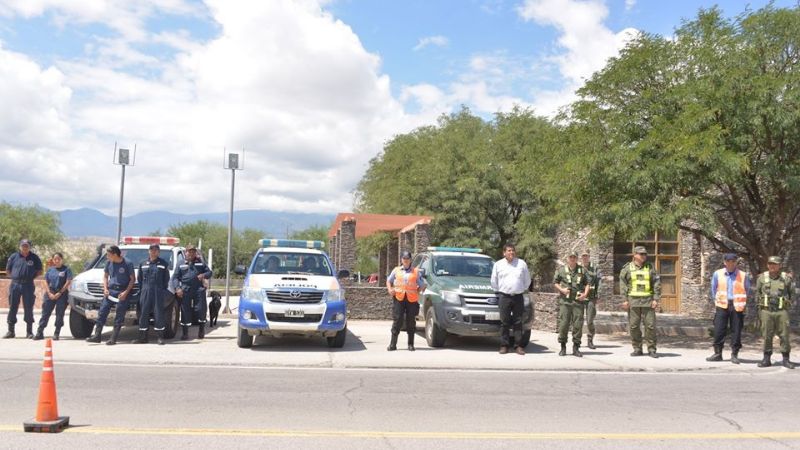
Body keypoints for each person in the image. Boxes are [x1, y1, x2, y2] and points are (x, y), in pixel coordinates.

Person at [706, 253, 750, 364]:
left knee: (736, 331)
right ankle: (717, 353)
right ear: (724, 262)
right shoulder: (718, 274)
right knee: (719, 330)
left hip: (737, 306)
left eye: (733, 261)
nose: (730, 263)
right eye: (728, 261)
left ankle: (734, 354)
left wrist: (741, 302)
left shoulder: (743, 275)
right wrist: (716, 301)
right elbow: (713, 288)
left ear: (736, 262)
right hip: (722, 305)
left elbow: (747, 290)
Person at [87, 245, 135, 345]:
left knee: (119, 314)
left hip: (122, 292)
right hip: (110, 291)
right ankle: (97, 335)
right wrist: (105, 289)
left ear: (115, 254)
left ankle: (113, 338)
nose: (107, 257)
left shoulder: (127, 263)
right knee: (102, 312)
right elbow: (105, 276)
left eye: (109, 255)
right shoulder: (109, 263)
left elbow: (132, 279)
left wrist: (125, 292)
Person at [619, 246, 661, 358]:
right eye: (641, 254)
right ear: (635, 255)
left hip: (648, 301)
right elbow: (622, 284)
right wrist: (624, 300)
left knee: (650, 326)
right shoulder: (627, 268)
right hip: (633, 301)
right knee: (634, 326)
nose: (644, 256)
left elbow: (656, 284)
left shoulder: (650, 267)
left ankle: (652, 349)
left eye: (645, 254)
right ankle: (637, 348)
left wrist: (656, 299)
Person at [754, 256, 795, 369]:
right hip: (766, 311)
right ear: (768, 265)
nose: (772, 266)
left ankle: (786, 359)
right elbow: (757, 294)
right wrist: (760, 311)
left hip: (782, 311)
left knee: (784, 335)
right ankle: (766, 359)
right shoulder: (761, 278)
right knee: (767, 335)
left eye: (775, 264)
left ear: (779, 265)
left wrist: (787, 305)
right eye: (770, 263)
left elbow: (792, 294)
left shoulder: (786, 278)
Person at [490, 243, 531, 355]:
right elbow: (494, 281)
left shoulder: (521, 264)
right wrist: (499, 291)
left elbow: (527, 280)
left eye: (513, 250)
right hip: (504, 296)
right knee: (504, 322)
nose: (511, 252)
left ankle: (518, 346)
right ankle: (504, 345)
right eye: (509, 250)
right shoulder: (498, 264)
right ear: (504, 253)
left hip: (518, 296)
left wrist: (521, 289)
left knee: (518, 322)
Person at [386, 250, 426, 351]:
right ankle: (393, 344)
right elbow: (389, 280)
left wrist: (418, 291)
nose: (406, 260)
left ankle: (411, 344)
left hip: (411, 299)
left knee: (411, 321)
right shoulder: (396, 270)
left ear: (410, 260)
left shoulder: (415, 271)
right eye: (404, 259)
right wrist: (390, 289)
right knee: (397, 320)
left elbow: (423, 284)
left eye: (407, 259)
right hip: (399, 298)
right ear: (401, 259)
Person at [4, 239, 43, 339]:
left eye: (26, 246)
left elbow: (40, 271)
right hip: (15, 285)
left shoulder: (34, 257)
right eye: (23, 246)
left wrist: (30, 277)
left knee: (28, 307)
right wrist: (14, 278)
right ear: (20, 246)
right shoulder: (14, 256)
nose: (25, 247)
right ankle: (10, 331)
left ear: (29, 247)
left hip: (28, 285)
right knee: (13, 306)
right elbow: (8, 270)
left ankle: (29, 332)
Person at [554, 250, 590, 357]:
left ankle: (576, 348)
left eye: (574, 257)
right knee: (563, 324)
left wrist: (585, 294)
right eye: (570, 257)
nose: (572, 259)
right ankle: (563, 347)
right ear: (567, 258)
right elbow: (555, 282)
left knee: (578, 325)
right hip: (565, 302)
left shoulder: (582, 270)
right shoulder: (561, 270)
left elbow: (588, 283)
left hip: (578, 302)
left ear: (577, 258)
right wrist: (562, 290)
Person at [172, 244, 212, 340]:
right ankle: (185, 333)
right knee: (185, 311)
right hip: (185, 290)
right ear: (185, 252)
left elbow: (210, 273)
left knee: (200, 309)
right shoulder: (180, 263)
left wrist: (203, 275)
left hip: (198, 289)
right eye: (189, 251)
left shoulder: (200, 262)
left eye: (193, 251)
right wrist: (177, 288)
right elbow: (175, 278)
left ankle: (201, 330)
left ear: (195, 253)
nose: (191, 253)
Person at [133, 244, 170, 345]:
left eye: (156, 250)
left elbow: (166, 279)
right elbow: (139, 279)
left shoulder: (163, 263)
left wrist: (161, 290)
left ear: (158, 252)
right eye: (151, 250)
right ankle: (142, 338)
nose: (153, 251)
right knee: (143, 314)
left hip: (158, 292)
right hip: (145, 291)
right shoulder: (143, 263)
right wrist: (143, 290)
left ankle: (160, 337)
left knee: (159, 314)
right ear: (148, 251)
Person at [34, 252, 73, 341]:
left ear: (62, 260)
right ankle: (40, 332)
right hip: (50, 293)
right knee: (45, 313)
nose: (57, 261)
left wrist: (60, 292)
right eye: (55, 259)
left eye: (58, 259)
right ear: (53, 260)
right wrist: (49, 293)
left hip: (61, 294)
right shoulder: (50, 270)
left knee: (59, 314)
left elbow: (68, 281)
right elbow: (45, 281)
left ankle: (56, 332)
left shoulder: (66, 269)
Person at [580, 250, 600, 349]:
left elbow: (599, 282)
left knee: (589, 320)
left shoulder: (595, 267)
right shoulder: (578, 268)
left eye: (586, 256)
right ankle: (577, 340)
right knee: (577, 320)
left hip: (591, 297)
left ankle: (590, 339)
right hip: (579, 297)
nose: (585, 257)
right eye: (583, 256)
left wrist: (598, 295)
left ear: (589, 256)